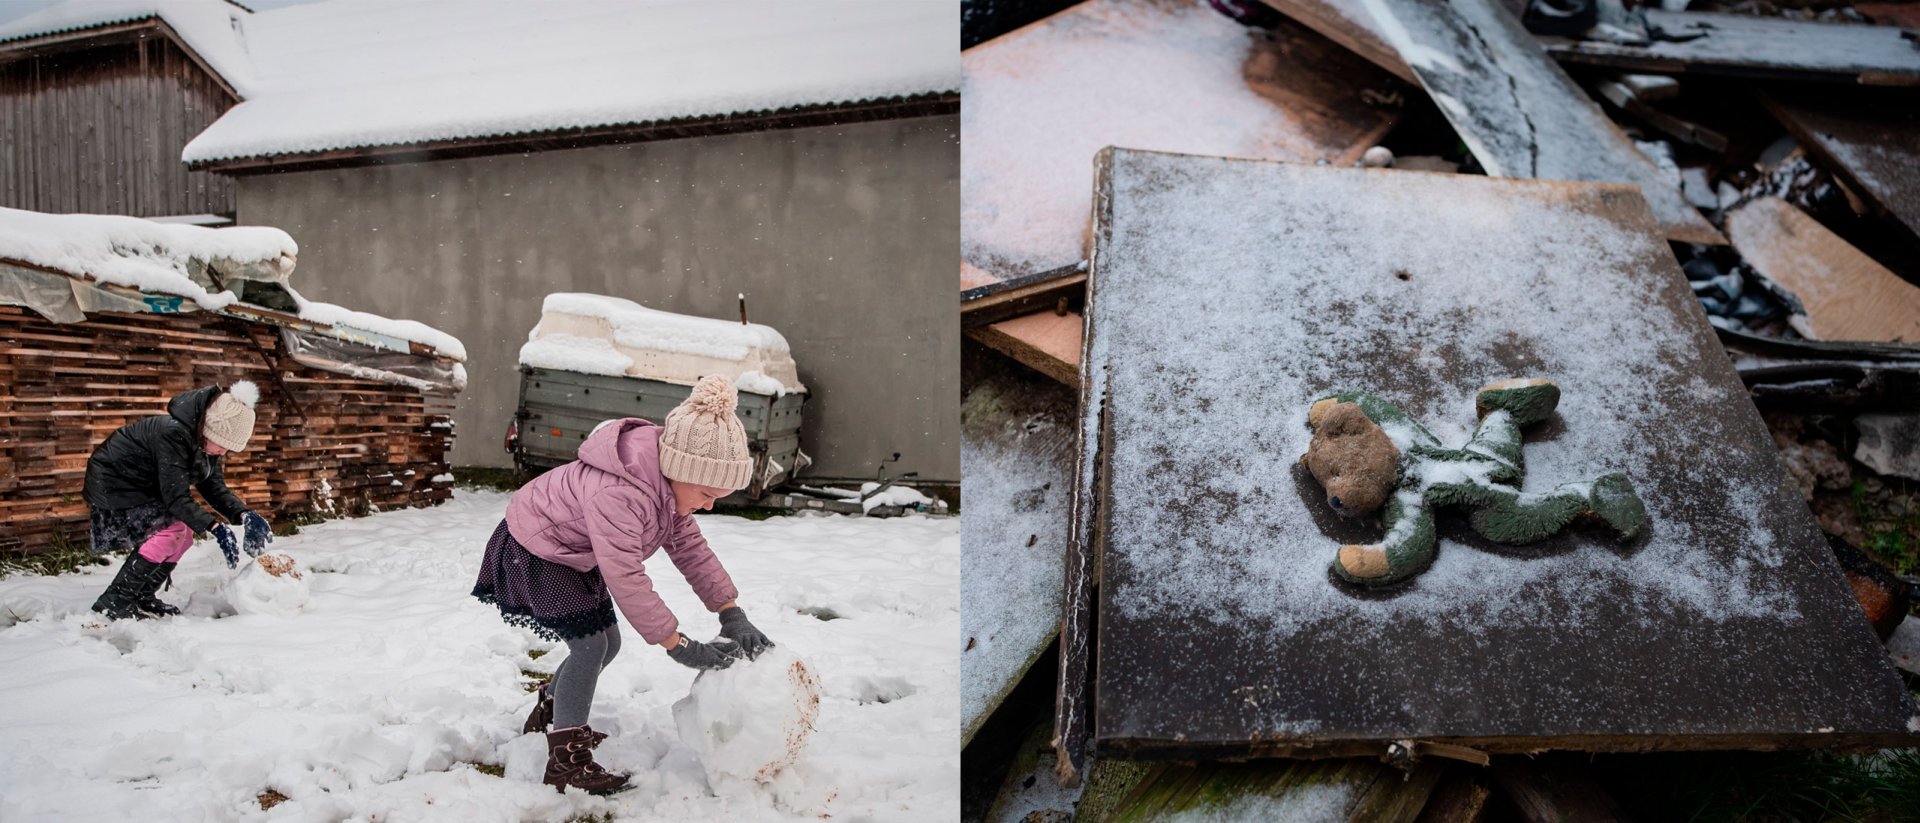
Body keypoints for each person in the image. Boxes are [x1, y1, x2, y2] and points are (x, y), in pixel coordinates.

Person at [472, 375, 777, 795]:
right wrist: (678, 644)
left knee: (607, 644)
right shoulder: (621, 493)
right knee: (591, 645)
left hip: (569, 551)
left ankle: (553, 712)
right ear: (679, 469)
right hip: (537, 548)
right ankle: (567, 762)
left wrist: (731, 612)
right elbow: (625, 574)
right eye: (707, 493)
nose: (709, 505)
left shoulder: (665, 488)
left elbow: (691, 550)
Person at [85, 381, 273, 619]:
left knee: (183, 535)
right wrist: (215, 527)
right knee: (170, 532)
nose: (224, 452)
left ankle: (142, 595)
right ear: (211, 428)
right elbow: (175, 497)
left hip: (143, 486)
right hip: (115, 485)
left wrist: (245, 515)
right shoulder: (173, 435)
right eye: (223, 445)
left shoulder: (204, 443)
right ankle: (115, 601)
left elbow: (212, 487)